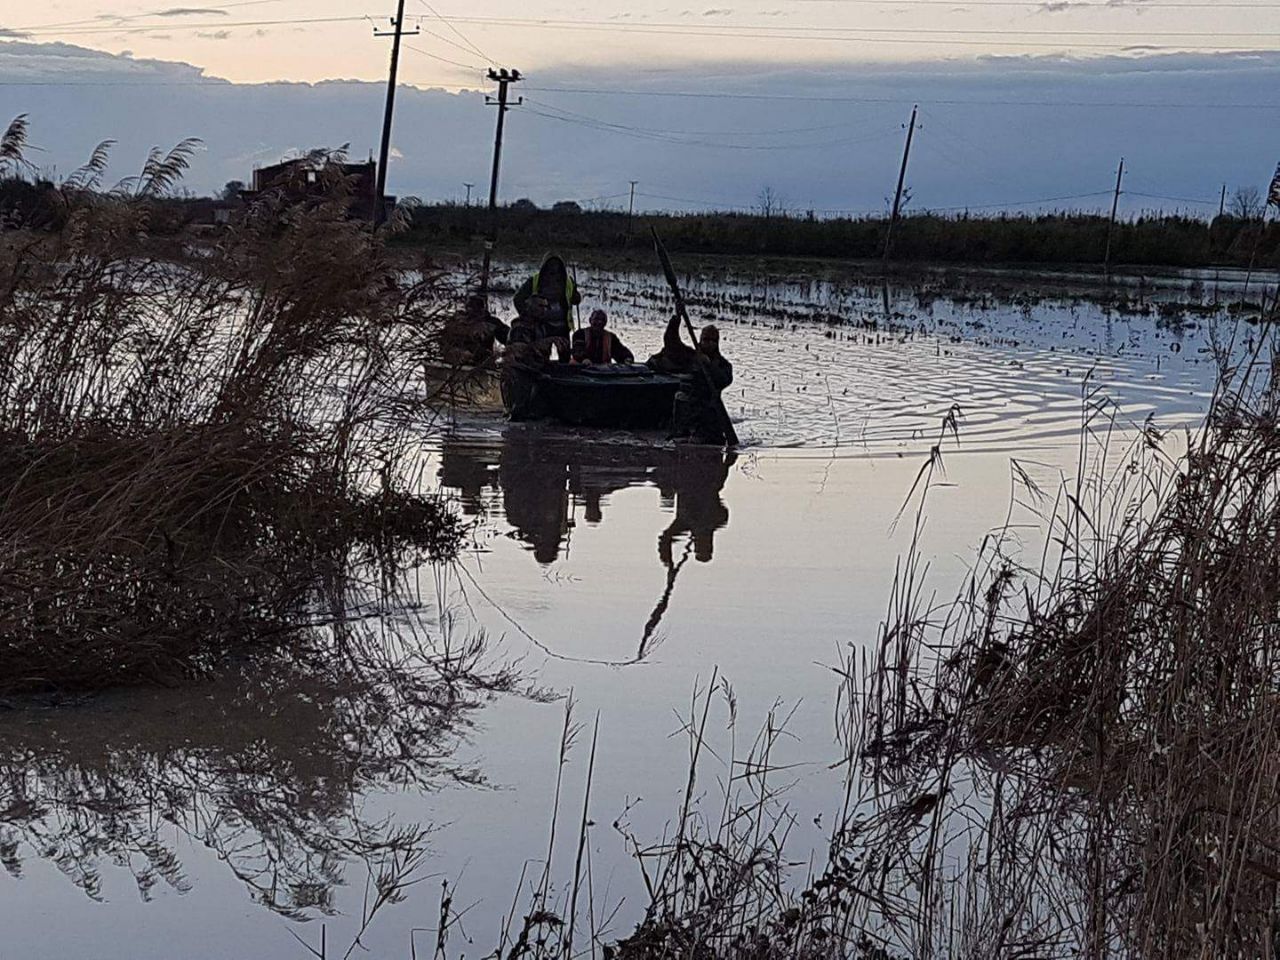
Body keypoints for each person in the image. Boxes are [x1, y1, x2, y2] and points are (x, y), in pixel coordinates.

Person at [648, 315, 733, 443]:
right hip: (686, 418)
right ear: (700, 340)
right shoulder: (690, 357)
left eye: (713, 340)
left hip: (708, 422)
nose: (709, 343)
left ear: (717, 343)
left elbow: (724, 379)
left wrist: (708, 365)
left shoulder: (723, 365)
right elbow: (672, 344)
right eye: (706, 339)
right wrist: (675, 321)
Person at [513, 254, 580, 359]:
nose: (554, 274)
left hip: (562, 325)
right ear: (545, 268)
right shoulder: (535, 280)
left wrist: (576, 296)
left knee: (565, 355)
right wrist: (526, 315)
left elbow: (575, 299)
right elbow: (518, 299)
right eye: (551, 270)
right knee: (541, 354)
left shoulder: (568, 282)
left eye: (557, 270)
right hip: (542, 325)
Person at [441, 294, 509, 366]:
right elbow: (509, 338)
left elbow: (442, 341)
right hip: (479, 362)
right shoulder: (490, 322)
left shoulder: (454, 321)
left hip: (455, 361)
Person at [570, 309, 634, 365]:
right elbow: (578, 349)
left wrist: (627, 357)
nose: (599, 322)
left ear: (605, 323)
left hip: (603, 371)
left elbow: (619, 350)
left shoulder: (610, 338)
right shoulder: (580, 334)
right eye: (596, 319)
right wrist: (584, 359)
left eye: (602, 320)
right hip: (580, 369)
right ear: (590, 320)